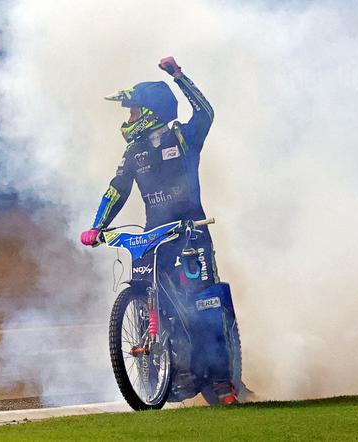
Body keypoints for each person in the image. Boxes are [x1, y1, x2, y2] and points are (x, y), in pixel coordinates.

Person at [80, 57, 238, 404]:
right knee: (149, 296)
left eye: (133, 111)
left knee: (203, 303)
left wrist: (179, 76)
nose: (129, 119)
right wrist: (97, 226)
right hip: (153, 237)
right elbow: (116, 189)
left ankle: (224, 381)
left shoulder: (184, 136)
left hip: (191, 231)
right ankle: (163, 372)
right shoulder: (134, 151)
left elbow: (206, 112)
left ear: (151, 111)